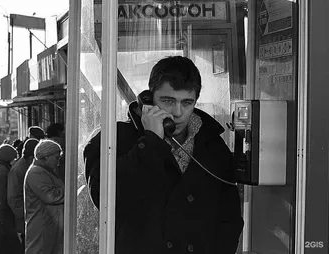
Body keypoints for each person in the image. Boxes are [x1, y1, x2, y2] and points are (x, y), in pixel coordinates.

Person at [84, 56, 244, 254]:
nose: (178, 112)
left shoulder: (212, 145)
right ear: (149, 99)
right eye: (168, 101)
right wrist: (151, 141)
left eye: (187, 102)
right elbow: (105, 200)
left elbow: (229, 217)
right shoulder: (114, 140)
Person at [24, 140, 64, 254]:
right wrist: (71, 191)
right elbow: (51, 196)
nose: (58, 162)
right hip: (41, 228)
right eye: (56, 158)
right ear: (46, 157)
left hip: (48, 227)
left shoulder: (46, 171)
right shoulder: (36, 173)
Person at [7, 138, 39, 253]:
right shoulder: (18, 170)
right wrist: (28, 215)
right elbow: (13, 199)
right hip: (26, 221)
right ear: (31, 158)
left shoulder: (27, 167)